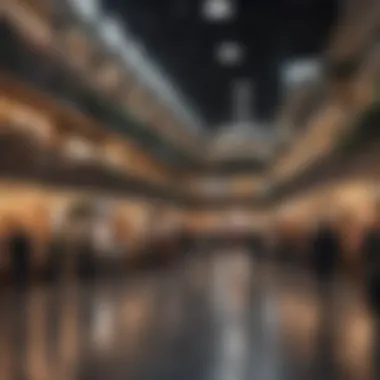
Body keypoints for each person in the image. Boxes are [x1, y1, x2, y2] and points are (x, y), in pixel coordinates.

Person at [311, 220, 340, 290]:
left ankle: (323, 285)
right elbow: (335, 249)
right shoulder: (331, 238)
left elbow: (316, 249)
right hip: (328, 259)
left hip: (322, 259)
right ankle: (326, 285)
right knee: (328, 273)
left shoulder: (319, 238)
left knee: (322, 274)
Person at [363, 212, 380, 316]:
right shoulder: (371, 236)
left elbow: (366, 253)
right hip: (374, 271)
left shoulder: (371, 236)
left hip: (374, 270)